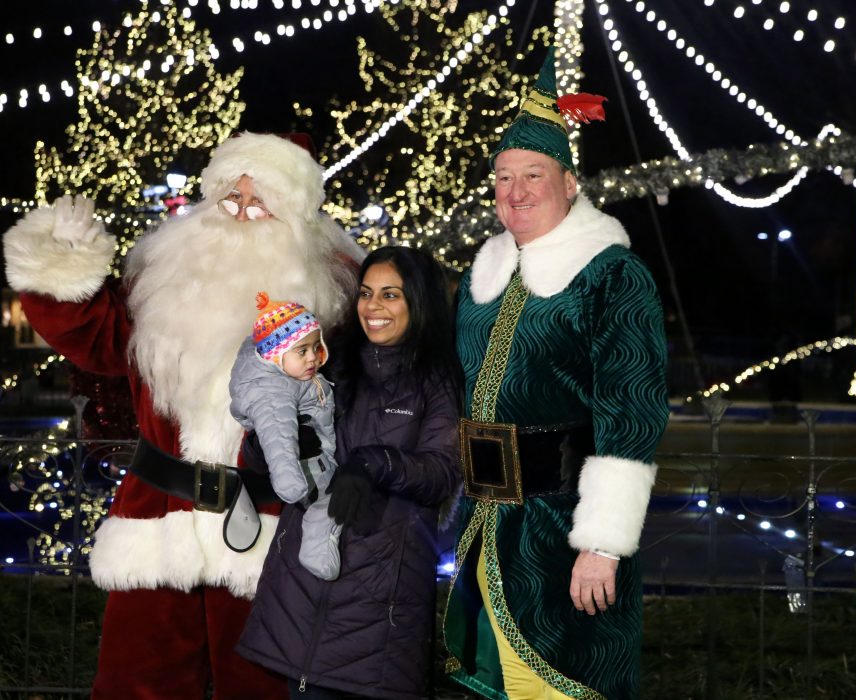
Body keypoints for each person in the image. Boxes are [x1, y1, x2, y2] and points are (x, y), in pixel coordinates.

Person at [2, 132, 363, 699]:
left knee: (261, 686)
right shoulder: (160, 283)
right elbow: (95, 338)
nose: (242, 214)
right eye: (231, 198)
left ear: (293, 215)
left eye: (259, 202)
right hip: (159, 515)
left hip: (268, 525)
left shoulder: (331, 297)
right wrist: (64, 262)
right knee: (136, 681)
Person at [443, 48, 669, 700]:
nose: (513, 192)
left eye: (533, 175)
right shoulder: (482, 277)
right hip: (485, 525)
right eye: (502, 177)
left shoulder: (610, 275)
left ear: (570, 183)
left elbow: (631, 410)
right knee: (492, 680)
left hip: (563, 527)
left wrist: (602, 542)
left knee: (564, 681)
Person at [237, 246, 463, 699]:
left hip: (381, 604)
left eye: (390, 295)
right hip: (301, 591)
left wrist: (372, 463)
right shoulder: (328, 363)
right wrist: (271, 441)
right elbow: (262, 462)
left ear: (418, 302)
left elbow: (441, 471)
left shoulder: (437, 380)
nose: (373, 307)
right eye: (366, 293)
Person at [229, 292, 343, 581]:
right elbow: (277, 437)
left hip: (322, 456)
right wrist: (289, 481)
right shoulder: (272, 393)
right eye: (302, 351)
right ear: (275, 356)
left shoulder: (294, 376)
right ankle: (316, 551)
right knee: (331, 502)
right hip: (306, 473)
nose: (313, 358)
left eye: (316, 347)